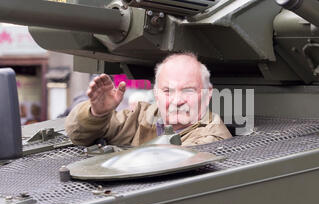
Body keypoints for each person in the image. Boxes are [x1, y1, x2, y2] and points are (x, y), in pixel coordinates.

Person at [65, 53, 232, 146]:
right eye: (167, 91)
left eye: (188, 90)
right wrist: (97, 113)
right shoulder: (143, 116)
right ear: (156, 93)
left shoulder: (212, 138)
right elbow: (78, 134)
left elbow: (169, 167)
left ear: (207, 94)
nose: (177, 100)